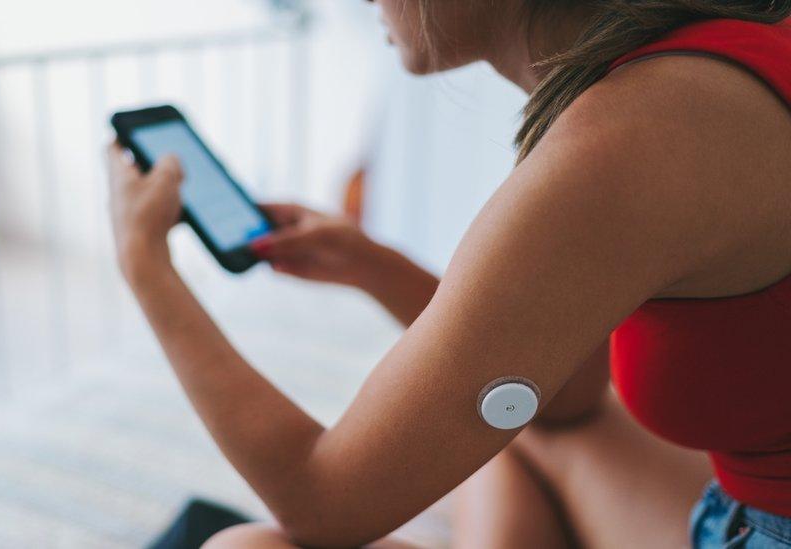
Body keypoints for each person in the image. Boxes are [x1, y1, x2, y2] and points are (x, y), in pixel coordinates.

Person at [106, 1, 791, 547]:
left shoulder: (626, 136)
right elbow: (566, 397)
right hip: (750, 501)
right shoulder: (722, 53)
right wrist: (370, 263)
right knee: (504, 440)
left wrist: (148, 269)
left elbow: (321, 500)